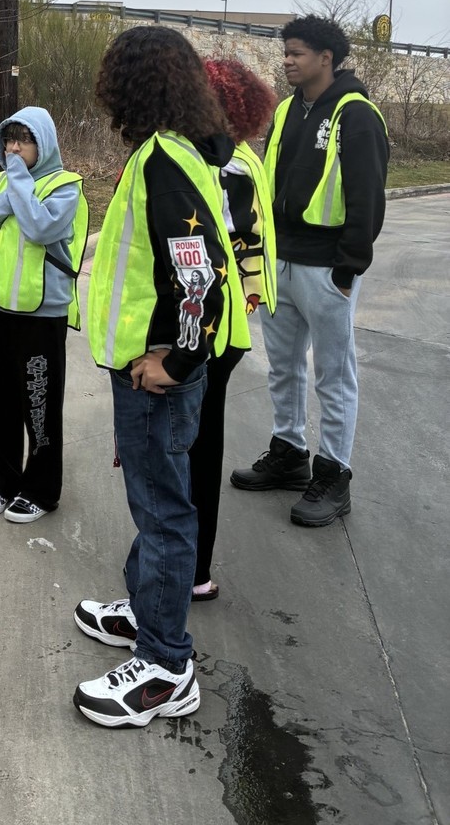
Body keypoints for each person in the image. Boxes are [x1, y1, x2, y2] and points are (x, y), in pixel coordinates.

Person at [72, 26, 249, 729]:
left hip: (156, 373)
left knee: (165, 511)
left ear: (132, 84)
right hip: (148, 366)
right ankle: (147, 612)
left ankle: (166, 665)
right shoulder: (176, 152)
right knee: (157, 503)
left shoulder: (162, 161)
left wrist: (173, 361)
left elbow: (195, 273)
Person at [230, 16, 389, 527]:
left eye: (297, 53)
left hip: (328, 270)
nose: (287, 61)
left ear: (327, 57)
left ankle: (334, 473)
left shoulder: (356, 114)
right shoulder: (286, 110)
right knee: (283, 366)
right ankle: (289, 453)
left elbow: (367, 199)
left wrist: (348, 269)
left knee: (333, 374)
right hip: (282, 261)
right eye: (286, 53)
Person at [0, 106, 88, 524]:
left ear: (42, 144)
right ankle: (2, 481)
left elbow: (40, 228)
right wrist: (12, 194)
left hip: (39, 317)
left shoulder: (66, 188)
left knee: (39, 405)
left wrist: (16, 188)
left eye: (23, 140)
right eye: (9, 139)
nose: (14, 148)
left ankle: (41, 490)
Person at [188, 58, 278, 601]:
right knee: (199, 439)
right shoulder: (236, 155)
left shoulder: (226, 165)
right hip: (226, 316)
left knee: (194, 445)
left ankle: (192, 568)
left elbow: (216, 243)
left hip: (214, 320)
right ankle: (192, 565)